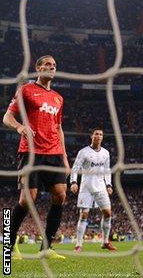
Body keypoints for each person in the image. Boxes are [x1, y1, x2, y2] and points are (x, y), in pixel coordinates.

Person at [3, 55, 69, 260]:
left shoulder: (58, 98)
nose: (51, 67)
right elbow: (7, 117)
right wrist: (20, 126)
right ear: (38, 68)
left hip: (54, 153)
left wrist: (65, 158)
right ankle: (9, 246)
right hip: (31, 153)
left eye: (54, 65)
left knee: (60, 195)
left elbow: (59, 128)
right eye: (47, 64)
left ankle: (46, 248)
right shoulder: (26, 90)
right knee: (26, 200)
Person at [70, 128, 117, 252]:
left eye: (101, 134)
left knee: (107, 213)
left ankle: (105, 242)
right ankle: (79, 244)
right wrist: (74, 182)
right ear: (92, 136)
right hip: (86, 187)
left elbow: (107, 170)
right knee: (84, 214)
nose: (99, 136)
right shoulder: (83, 152)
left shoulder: (106, 153)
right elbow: (75, 168)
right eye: (96, 134)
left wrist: (109, 185)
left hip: (101, 187)